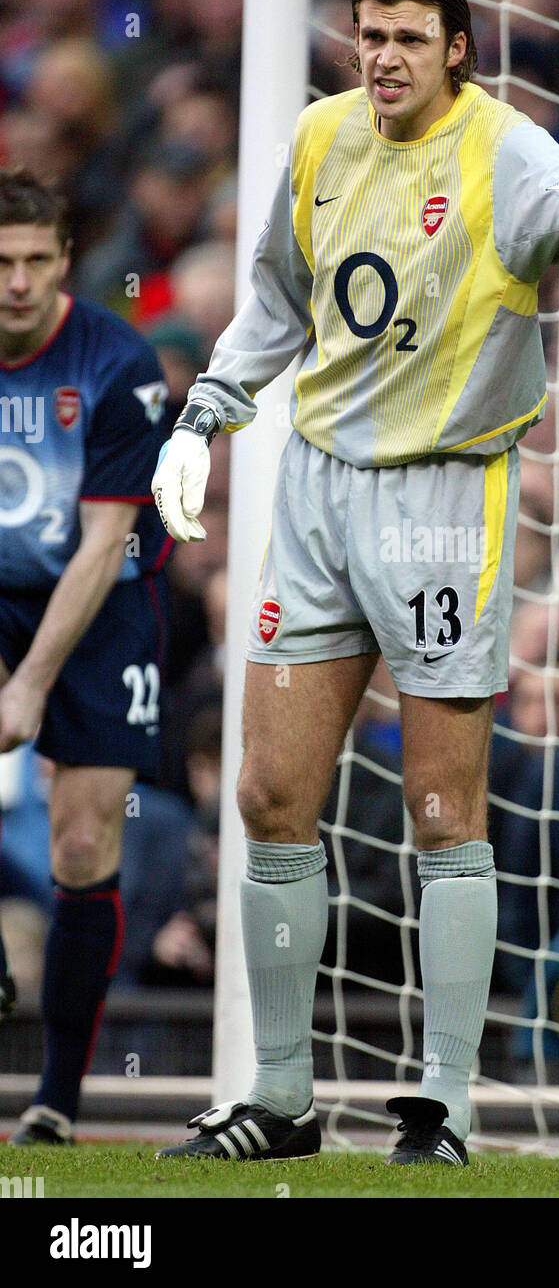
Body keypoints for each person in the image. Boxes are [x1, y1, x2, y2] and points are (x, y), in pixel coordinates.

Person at [151, 0, 559, 1167]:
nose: (381, 56)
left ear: (456, 45)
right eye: (367, 34)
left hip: (445, 501)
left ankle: (442, 1108)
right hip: (316, 493)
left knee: (442, 807)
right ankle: (281, 1100)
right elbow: (277, 302)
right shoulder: (317, 140)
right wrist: (206, 414)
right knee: (267, 795)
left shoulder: (506, 150)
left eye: (406, 36)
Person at [0, 168, 170, 1144]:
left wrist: (29, 685)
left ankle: (56, 1097)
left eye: (35, 262)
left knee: (80, 842)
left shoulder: (116, 362)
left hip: (100, 606)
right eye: (2, 264)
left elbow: (106, 542)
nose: (18, 282)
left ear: (65, 261)